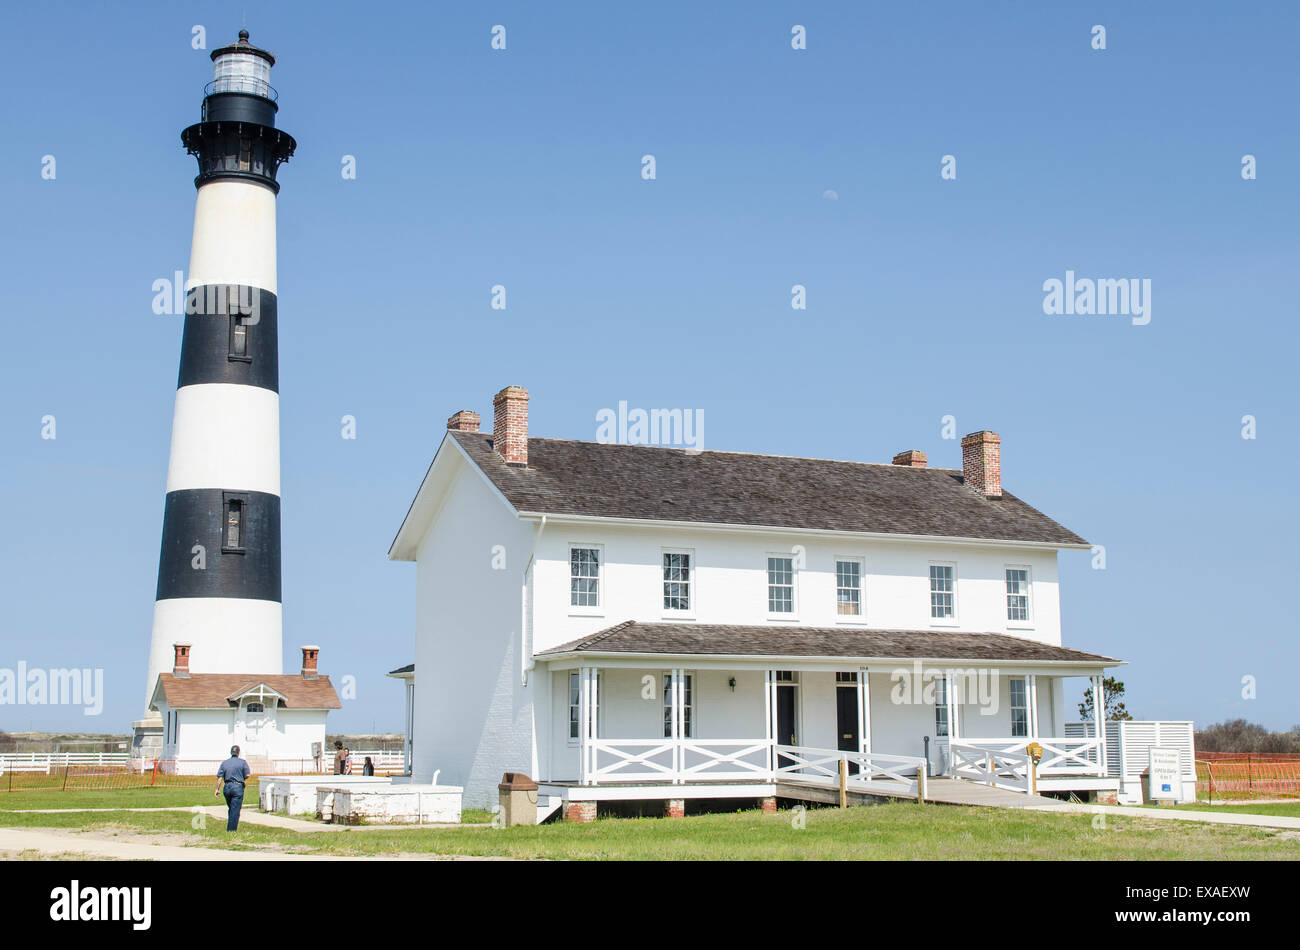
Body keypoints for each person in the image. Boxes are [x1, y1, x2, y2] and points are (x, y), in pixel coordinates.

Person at [214, 745, 252, 832]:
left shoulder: (224, 763)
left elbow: (219, 778)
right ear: (238, 753)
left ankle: (231, 828)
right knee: (235, 810)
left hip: (227, 787)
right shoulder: (242, 762)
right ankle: (231, 830)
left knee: (232, 808)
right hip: (237, 787)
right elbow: (247, 775)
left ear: (231, 752)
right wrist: (241, 778)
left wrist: (217, 789)